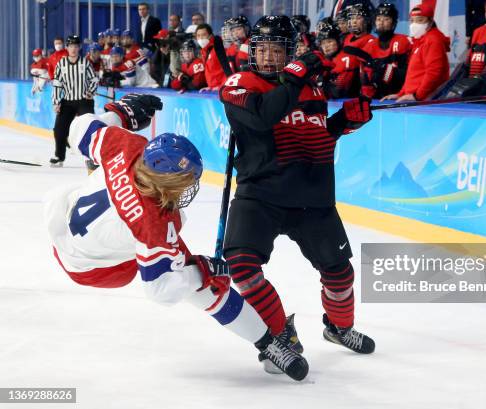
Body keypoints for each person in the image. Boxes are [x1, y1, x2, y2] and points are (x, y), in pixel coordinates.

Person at [43, 93, 307, 381]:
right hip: (93, 269)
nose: (187, 188)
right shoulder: (154, 225)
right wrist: (201, 272)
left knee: (108, 167)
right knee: (202, 284)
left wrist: (119, 114)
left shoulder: (128, 144)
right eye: (184, 182)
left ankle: (260, 334)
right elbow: (160, 291)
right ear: (167, 181)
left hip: (63, 220)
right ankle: (268, 343)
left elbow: (78, 128)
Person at [219, 15, 376, 376]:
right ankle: (279, 334)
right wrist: (295, 74)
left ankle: (338, 328)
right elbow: (264, 117)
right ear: (252, 52)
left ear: (289, 51)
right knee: (241, 267)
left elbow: (314, 135)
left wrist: (344, 123)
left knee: (340, 275)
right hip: (260, 194)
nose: (270, 58)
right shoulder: (238, 84)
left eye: (278, 50)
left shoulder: (312, 90)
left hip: (312, 196)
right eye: (263, 50)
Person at [382, 3, 450, 102]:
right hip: (417, 98)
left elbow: (434, 73)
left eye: (420, 20)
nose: (414, 24)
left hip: (427, 101)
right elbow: (412, 74)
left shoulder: (433, 40)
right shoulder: (419, 41)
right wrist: (401, 94)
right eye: (412, 21)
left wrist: (417, 96)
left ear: (430, 22)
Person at [50, 35, 98, 167]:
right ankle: (59, 156)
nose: (73, 49)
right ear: (67, 47)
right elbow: (57, 84)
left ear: (79, 48)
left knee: (91, 129)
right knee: (59, 129)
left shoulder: (85, 62)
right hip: (68, 101)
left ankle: (92, 158)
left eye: (76, 46)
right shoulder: (62, 63)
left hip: (84, 101)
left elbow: (94, 79)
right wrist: (56, 102)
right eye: (71, 46)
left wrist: (91, 91)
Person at [361, 3, 411, 99]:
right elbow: (365, 78)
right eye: (378, 19)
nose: (381, 22)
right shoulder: (369, 45)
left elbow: (408, 73)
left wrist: (386, 69)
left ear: (393, 23)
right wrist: (367, 96)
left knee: (383, 69)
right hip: (377, 97)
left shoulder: (403, 41)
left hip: (399, 94)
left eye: (386, 19)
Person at [447, 0, 486, 99]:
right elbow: (469, 59)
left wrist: (481, 78)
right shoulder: (478, 32)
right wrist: (462, 78)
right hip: (473, 87)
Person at [317, 25, 361, 98]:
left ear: (338, 41)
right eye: (323, 43)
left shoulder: (347, 57)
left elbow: (339, 92)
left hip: (347, 101)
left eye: (329, 41)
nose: (326, 46)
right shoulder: (321, 60)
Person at [194, 24, 232, 90]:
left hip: (223, 88)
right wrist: (211, 87)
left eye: (204, 35)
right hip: (213, 89)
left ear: (210, 36)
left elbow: (229, 69)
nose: (201, 38)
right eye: (198, 35)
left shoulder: (219, 48)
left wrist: (220, 86)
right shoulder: (203, 51)